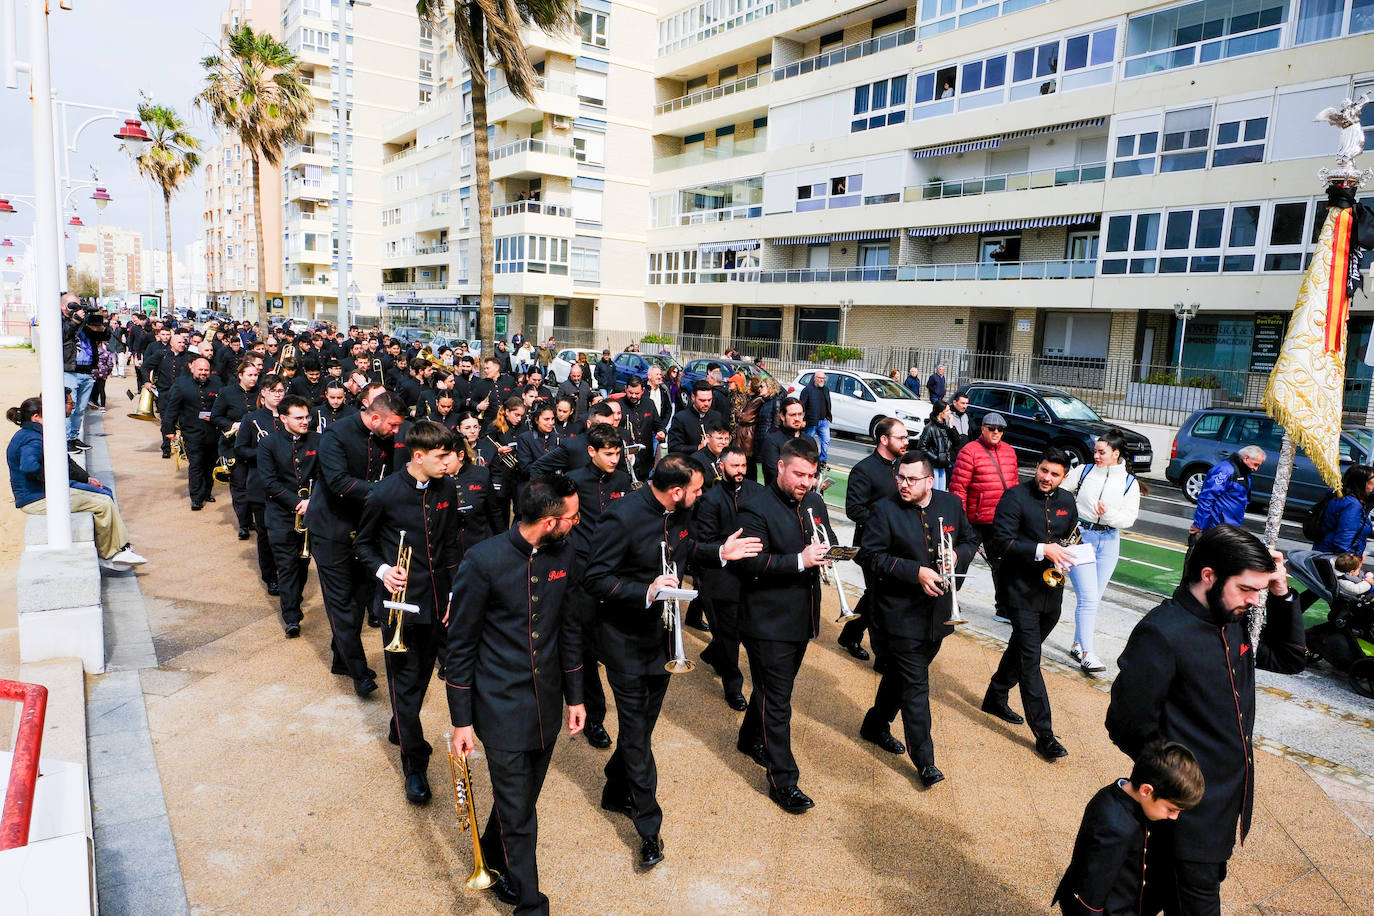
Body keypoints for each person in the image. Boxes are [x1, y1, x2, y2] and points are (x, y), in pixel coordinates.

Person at [1106, 525, 1308, 913]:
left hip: (1225, 806)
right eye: (1246, 589)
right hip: (1185, 815)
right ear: (1209, 576)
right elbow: (1125, 723)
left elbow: (1290, 658)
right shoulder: (1162, 632)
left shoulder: (1232, 618)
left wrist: (1281, 593)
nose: (1253, 601)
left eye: (1259, 591)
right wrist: (1176, 783)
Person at [583, 455, 759, 865]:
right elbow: (594, 578)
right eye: (696, 490)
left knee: (640, 728)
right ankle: (649, 827)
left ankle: (613, 788)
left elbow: (687, 547)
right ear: (676, 491)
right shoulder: (621, 517)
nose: (702, 496)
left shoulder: (680, 512)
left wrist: (721, 552)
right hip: (624, 642)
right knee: (637, 735)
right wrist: (645, 590)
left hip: (663, 641)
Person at [446, 474, 584, 913]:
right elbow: (460, 645)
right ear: (548, 521)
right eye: (573, 516)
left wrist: (576, 696)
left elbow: (569, 629)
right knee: (521, 816)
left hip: (546, 703)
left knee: (519, 800)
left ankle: (492, 855)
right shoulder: (482, 560)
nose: (577, 523)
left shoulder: (567, 554)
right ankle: (531, 903)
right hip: (499, 707)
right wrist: (461, 720)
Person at [355, 420, 462, 806]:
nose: (450, 463)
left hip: (438, 605)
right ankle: (414, 766)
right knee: (405, 686)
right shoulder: (383, 494)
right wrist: (384, 571)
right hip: (400, 607)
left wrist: (454, 595)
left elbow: (450, 545)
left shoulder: (447, 486)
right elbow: (362, 546)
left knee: (416, 686)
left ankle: (401, 724)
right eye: (442, 456)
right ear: (418, 457)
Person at [857, 449, 978, 787]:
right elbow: (870, 557)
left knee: (899, 676)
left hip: (938, 613)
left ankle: (875, 724)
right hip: (899, 615)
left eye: (912, 479)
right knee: (915, 686)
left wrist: (956, 554)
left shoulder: (950, 504)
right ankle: (925, 761)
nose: (904, 484)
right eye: (900, 477)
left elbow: (970, 540)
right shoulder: (883, 509)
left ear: (929, 480)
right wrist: (916, 572)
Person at [734, 436, 836, 813]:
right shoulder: (753, 505)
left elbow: (829, 538)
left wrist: (829, 551)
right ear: (780, 466)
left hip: (802, 616)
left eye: (811, 475)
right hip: (766, 621)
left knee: (771, 689)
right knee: (779, 701)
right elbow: (751, 563)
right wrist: (801, 560)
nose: (805, 482)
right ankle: (783, 781)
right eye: (799, 474)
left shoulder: (813, 499)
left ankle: (748, 739)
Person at [306, 391, 407, 697]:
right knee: (341, 606)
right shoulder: (336, 435)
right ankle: (359, 672)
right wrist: (385, 492)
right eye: (391, 426)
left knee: (359, 600)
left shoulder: (387, 435)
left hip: (364, 531)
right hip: (331, 530)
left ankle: (341, 659)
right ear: (374, 417)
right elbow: (338, 482)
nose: (395, 433)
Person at [980, 448, 1078, 760]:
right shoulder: (1014, 497)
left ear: (1064, 477)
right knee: (1031, 661)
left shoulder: (1068, 502)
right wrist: (1042, 550)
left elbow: (1069, 538)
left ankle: (996, 695)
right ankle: (1045, 735)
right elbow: (1001, 544)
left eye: (1055, 474)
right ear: (1037, 467)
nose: (1047, 478)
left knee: (1022, 649)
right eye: (1044, 471)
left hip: (1053, 591)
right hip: (1019, 590)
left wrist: (1068, 554)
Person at [1053, 740, 1206, 916]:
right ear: (1146, 791)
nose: (1174, 817)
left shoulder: (1129, 795)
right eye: (1171, 809)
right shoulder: (1114, 827)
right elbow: (1092, 895)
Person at [6, 395, 147, 571]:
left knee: (104, 498)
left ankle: (119, 548)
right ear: (36, 417)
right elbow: (29, 466)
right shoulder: (33, 438)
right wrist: (51, 480)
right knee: (102, 504)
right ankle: (110, 554)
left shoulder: (29, 434)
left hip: (39, 494)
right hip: (36, 499)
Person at [566, 424, 632, 750]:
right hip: (582, 574)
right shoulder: (574, 481)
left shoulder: (622, 480)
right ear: (592, 451)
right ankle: (594, 719)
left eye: (618, 453)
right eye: (609, 453)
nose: (615, 458)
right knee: (587, 649)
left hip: (617, 573)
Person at [1065, 431, 1143, 674]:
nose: (1096, 455)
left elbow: (1129, 519)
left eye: (1102, 452)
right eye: (1095, 451)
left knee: (1093, 599)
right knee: (1088, 598)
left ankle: (1078, 644)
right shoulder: (1083, 472)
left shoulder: (1129, 483)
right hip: (1081, 537)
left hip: (1109, 541)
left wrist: (1107, 514)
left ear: (1116, 454)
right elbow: (1061, 494)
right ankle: (1088, 653)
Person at [694, 445, 762, 711]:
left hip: (750, 575)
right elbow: (705, 542)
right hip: (719, 576)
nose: (740, 472)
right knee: (730, 637)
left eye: (743, 466)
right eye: (734, 466)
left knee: (736, 632)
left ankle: (712, 653)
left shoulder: (756, 492)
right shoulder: (709, 500)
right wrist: (727, 548)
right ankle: (733, 687)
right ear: (721, 467)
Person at [837, 416, 909, 663]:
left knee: (877, 595)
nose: (906, 441)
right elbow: (854, 509)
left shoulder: (903, 466)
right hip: (871, 546)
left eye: (906, 437)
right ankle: (884, 657)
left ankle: (850, 635)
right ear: (884, 439)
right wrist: (886, 521)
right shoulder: (863, 469)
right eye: (901, 437)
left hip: (898, 545)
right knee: (879, 598)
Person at [258, 395, 318, 638]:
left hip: (311, 513)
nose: (305, 422)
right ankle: (291, 615)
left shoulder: (318, 440)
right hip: (281, 514)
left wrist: (313, 501)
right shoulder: (268, 444)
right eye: (299, 418)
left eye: (307, 417)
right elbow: (269, 482)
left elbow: (327, 475)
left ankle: (294, 598)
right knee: (287, 565)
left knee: (302, 564)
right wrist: (297, 503)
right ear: (284, 419)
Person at [949, 412, 1018, 622]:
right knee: (960, 560)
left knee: (1003, 565)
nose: (996, 432)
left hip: (1001, 521)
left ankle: (1004, 608)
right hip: (974, 520)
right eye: (992, 428)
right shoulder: (969, 451)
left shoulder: (1009, 451)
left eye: (1000, 429)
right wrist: (960, 519)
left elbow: (1014, 486)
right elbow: (958, 488)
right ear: (983, 429)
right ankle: (948, 600)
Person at [161, 356, 222, 511]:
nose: (203, 373)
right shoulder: (181, 385)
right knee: (196, 464)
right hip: (192, 431)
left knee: (210, 464)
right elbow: (172, 409)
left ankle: (207, 491)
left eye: (206, 370)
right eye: (200, 369)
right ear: (192, 368)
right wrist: (169, 430)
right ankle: (196, 497)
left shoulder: (217, 382)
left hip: (213, 431)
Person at [212, 360, 261, 540]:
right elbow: (216, 417)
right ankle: (244, 523)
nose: (254, 378)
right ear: (240, 376)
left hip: (256, 446)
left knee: (256, 485)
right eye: (250, 375)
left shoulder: (261, 392)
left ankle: (256, 519)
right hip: (233, 445)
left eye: (256, 375)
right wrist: (233, 424)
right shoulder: (226, 393)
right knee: (239, 487)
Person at [60, 293, 109, 452]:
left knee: (80, 408)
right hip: (69, 371)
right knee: (69, 407)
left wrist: (96, 322)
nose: (76, 309)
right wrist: (75, 320)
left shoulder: (84, 322)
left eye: (78, 305)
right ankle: (66, 440)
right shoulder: (59, 321)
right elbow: (62, 336)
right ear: (62, 306)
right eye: (71, 305)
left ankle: (74, 437)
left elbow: (104, 335)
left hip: (87, 371)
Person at [1189, 445, 1265, 539]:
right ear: (1246, 458)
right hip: (1216, 526)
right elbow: (1207, 497)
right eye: (1255, 464)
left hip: (1230, 526)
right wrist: (1199, 524)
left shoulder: (1244, 472)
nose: (1256, 469)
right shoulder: (1225, 470)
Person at [1311, 464, 1374, 556]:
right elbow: (1344, 539)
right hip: (1336, 560)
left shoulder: (1339, 497)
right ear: (1361, 483)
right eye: (1372, 482)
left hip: (1323, 552)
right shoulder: (1352, 505)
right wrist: (1350, 562)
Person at [758, 397, 805, 489]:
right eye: (792, 415)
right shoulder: (772, 440)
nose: (797, 418)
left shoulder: (809, 441)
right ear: (782, 416)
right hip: (778, 496)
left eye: (800, 414)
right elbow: (773, 473)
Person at [666, 381, 716, 455]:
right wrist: (697, 448)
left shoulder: (716, 416)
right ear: (693, 397)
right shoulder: (680, 418)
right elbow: (673, 447)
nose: (706, 404)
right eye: (702, 400)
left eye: (709, 400)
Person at [798, 371, 832, 468]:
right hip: (811, 421)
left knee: (826, 441)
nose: (822, 380)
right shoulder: (807, 390)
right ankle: (804, 459)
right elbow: (802, 406)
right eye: (820, 378)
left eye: (824, 378)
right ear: (815, 378)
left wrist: (828, 416)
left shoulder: (826, 389)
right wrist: (802, 419)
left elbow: (827, 403)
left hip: (824, 420)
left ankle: (822, 461)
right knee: (807, 441)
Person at [918, 401, 954, 490]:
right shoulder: (929, 428)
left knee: (942, 491)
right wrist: (936, 458)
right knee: (934, 490)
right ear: (940, 412)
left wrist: (951, 426)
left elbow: (954, 441)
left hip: (943, 464)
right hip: (934, 465)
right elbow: (921, 447)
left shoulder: (945, 426)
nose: (950, 414)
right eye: (947, 411)